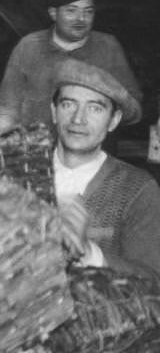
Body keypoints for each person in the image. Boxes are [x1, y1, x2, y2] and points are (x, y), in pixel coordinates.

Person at [51, 59, 160, 280]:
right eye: (68, 104)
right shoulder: (16, 175)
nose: (78, 119)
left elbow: (152, 281)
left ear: (113, 120)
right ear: (54, 112)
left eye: (95, 108)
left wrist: (89, 253)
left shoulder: (137, 188)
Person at [0, 0, 141, 131]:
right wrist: (3, 134)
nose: (81, 19)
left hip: (91, 146)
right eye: (71, 10)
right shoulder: (29, 46)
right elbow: (7, 104)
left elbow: (133, 110)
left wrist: (99, 90)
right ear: (53, 13)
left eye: (88, 12)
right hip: (37, 145)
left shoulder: (108, 46)